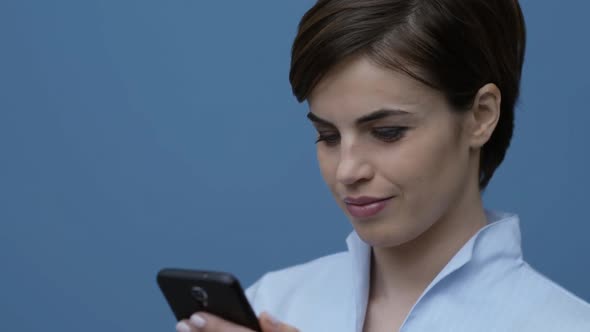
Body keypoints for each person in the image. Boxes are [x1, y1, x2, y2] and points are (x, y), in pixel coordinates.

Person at [175, 0, 590, 331]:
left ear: (481, 116)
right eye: (328, 136)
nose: (347, 171)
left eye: (388, 132)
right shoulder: (271, 302)